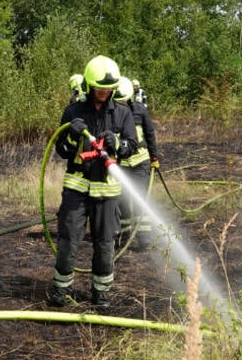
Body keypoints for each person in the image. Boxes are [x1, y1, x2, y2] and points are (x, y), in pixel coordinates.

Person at [49, 55, 137, 310]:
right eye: (99, 88)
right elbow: (62, 150)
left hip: (108, 192)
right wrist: (71, 134)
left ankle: (101, 293)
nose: (104, 93)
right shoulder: (73, 111)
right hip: (76, 189)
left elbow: (131, 147)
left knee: (105, 243)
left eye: (108, 89)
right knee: (68, 240)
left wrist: (117, 144)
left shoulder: (123, 113)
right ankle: (62, 290)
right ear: (89, 85)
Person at [114, 76, 160, 249]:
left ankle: (144, 239)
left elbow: (149, 134)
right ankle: (124, 237)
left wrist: (154, 158)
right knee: (123, 202)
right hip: (123, 165)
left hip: (141, 162)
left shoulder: (140, 110)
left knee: (141, 199)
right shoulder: (112, 114)